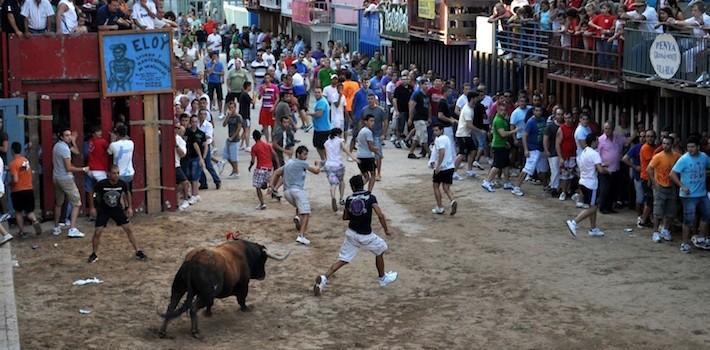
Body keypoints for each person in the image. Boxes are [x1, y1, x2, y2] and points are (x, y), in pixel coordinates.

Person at [313, 174, 397, 296]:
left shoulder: (349, 199)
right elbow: (380, 214)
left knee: (343, 259)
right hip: (366, 235)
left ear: (352, 187)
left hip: (352, 234)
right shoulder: (370, 197)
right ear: (362, 184)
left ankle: (324, 278)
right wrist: (386, 229)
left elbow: (345, 217)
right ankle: (382, 278)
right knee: (381, 249)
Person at [87, 165, 146, 263]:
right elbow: (91, 192)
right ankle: (94, 253)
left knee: (129, 229)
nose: (116, 175)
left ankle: (138, 251)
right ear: (109, 174)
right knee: (97, 232)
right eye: (114, 173)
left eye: (118, 173)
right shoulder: (102, 184)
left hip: (117, 209)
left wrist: (129, 207)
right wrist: (92, 207)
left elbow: (127, 193)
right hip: (103, 210)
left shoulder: (122, 183)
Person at [270, 146, 321, 245]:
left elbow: (277, 173)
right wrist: (318, 164)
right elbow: (316, 171)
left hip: (287, 193)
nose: (306, 156)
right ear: (298, 154)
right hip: (297, 190)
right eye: (304, 154)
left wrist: (272, 187)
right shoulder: (302, 163)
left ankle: (297, 218)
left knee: (299, 207)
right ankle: (301, 236)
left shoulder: (289, 163)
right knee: (306, 213)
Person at [669, 136, 710, 254]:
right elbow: (672, 174)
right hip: (688, 195)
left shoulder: (704, 157)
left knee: (707, 215)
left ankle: (701, 238)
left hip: (702, 193)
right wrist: (682, 186)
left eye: (692, 146)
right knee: (688, 220)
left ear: (698, 147)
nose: (690, 149)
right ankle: (685, 243)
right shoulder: (684, 159)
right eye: (688, 147)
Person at [566, 133, 610, 238]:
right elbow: (599, 169)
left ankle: (593, 228)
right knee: (593, 208)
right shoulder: (595, 154)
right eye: (597, 141)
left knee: (592, 205)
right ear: (593, 142)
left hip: (583, 181)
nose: (598, 142)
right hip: (591, 184)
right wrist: (607, 171)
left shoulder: (585, 152)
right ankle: (574, 222)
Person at [52, 128, 89, 238]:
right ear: (62, 137)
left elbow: (76, 152)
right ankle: (72, 229)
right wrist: (82, 169)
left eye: (70, 135)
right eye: (67, 135)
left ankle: (56, 227)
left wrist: (73, 141)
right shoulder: (65, 149)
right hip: (66, 179)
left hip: (56, 177)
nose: (69, 137)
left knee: (59, 203)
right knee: (77, 203)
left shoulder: (57, 146)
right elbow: (68, 168)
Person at [647, 135, 680, 243]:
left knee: (670, 211)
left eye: (668, 144)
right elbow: (649, 169)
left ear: (672, 145)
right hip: (660, 186)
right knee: (658, 211)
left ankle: (665, 229)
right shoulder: (658, 156)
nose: (665, 146)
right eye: (664, 143)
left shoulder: (677, 156)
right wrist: (654, 182)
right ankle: (655, 232)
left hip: (671, 186)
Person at [511, 105, 549, 197]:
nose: (538, 112)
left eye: (540, 110)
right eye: (536, 110)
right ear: (533, 112)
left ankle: (545, 186)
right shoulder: (530, 122)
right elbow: (524, 136)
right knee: (527, 169)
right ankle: (516, 187)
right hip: (533, 149)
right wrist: (526, 149)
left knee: (543, 170)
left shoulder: (543, 120)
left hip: (541, 148)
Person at [8, 142, 42, 237]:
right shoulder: (25, 161)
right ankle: (35, 220)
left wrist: (9, 184)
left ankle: (22, 231)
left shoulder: (13, 163)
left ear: (12, 151)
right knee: (29, 211)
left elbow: (15, 179)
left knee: (18, 211)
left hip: (18, 190)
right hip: (28, 189)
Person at [482, 103, 517, 192]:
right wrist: (514, 131)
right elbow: (503, 134)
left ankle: (507, 182)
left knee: (505, 165)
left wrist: (506, 142)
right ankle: (487, 182)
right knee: (497, 166)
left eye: (504, 110)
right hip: (498, 146)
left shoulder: (502, 119)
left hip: (502, 144)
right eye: (501, 110)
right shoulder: (498, 120)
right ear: (497, 110)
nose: (503, 112)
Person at [324, 128, 358, 212]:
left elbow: (326, 155)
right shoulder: (340, 140)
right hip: (338, 165)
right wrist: (353, 157)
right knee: (341, 181)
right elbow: (345, 149)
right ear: (338, 134)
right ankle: (341, 198)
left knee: (333, 183)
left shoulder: (326, 143)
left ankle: (333, 196)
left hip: (329, 165)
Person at [429, 123, 457, 215]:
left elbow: (442, 152)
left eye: (436, 130)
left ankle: (440, 207)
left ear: (441, 130)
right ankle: (452, 200)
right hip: (450, 167)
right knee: (446, 187)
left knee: (436, 186)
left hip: (442, 168)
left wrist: (438, 166)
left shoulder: (439, 140)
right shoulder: (447, 139)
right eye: (434, 130)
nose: (435, 132)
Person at [86, 126, 110, 220]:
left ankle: (92, 210)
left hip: (90, 169)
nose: (100, 133)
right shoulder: (102, 141)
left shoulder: (89, 142)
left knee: (90, 190)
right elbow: (110, 150)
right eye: (98, 131)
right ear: (94, 133)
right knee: (106, 191)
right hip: (99, 170)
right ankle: (104, 212)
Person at [250, 130, 276, 210]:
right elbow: (274, 154)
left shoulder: (254, 147)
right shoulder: (267, 145)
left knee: (257, 186)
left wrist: (250, 166)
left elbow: (253, 161)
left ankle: (262, 203)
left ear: (254, 138)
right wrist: (276, 165)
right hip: (269, 168)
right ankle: (272, 189)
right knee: (267, 182)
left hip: (260, 168)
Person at [197, 109, 222, 190]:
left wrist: (197, 136)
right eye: (201, 114)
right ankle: (203, 183)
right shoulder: (196, 124)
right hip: (197, 146)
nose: (202, 116)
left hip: (205, 146)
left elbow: (208, 136)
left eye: (204, 114)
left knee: (208, 165)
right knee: (199, 165)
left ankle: (217, 180)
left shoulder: (208, 125)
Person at [185, 115, 207, 204]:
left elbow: (205, 146)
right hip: (189, 157)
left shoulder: (201, 133)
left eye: (195, 122)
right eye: (192, 122)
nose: (194, 123)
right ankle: (195, 194)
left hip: (196, 157)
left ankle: (194, 195)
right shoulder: (188, 132)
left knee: (195, 176)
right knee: (190, 176)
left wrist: (203, 157)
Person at [408, 78, 432, 159]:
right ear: (421, 85)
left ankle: (411, 152)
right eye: (425, 84)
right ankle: (430, 153)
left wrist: (429, 117)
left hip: (424, 118)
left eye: (427, 84)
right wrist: (410, 118)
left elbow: (429, 106)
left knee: (417, 137)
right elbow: (411, 105)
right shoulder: (417, 94)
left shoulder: (427, 95)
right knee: (423, 136)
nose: (426, 86)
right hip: (418, 118)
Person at [356, 115, 380, 192]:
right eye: (371, 121)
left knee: (365, 176)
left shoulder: (361, 131)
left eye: (373, 121)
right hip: (368, 157)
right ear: (366, 122)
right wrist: (376, 150)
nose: (372, 123)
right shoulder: (368, 132)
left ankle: (357, 189)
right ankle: (369, 191)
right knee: (373, 174)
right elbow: (370, 147)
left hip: (360, 156)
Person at [309, 87, 332, 162]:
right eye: (315, 92)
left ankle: (325, 161)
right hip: (319, 128)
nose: (317, 94)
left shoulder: (322, 102)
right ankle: (324, 160)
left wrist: (309, 114)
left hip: (323, 129)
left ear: (322, 93)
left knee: (321, 146)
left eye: (319, 92)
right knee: (318, 145)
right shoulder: (319, 101)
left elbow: (319, 114)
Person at [222, 101, 243, 178]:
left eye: (232, 108)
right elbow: (224, 124)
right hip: (229, 138)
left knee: (234, 157)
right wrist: (228, 116)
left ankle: (236, 172)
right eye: (230, 108)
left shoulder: (238, 117)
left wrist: (233, 137)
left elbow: (239, 128)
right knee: (227, 156)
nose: (231, 109)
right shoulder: (229, 116)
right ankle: (234, 170)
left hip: (235, 139)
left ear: (235, 108)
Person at [258, 73, 280, 142]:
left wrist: (274, 106)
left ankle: (273, 141)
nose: (267, 80)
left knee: (273, 126)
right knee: (265, 126)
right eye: (265, 78)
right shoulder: (262, 87)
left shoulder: (274, 87)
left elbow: (277, 98)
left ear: (271, 78)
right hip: (264, 108)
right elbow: (259, 98)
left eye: (268, 78)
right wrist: (262, 91)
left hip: (271, 108)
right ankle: (267, 141)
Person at [174, 125, 191, 211]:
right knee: (182, 183)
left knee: (184, 182)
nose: (176, 130)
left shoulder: (180, 140)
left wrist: (176, 145)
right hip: (170, 165)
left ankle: (184, 200)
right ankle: (178, 202)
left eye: (177, 128)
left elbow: (183, 154)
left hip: (176, 164)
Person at [205, 52, 225, 118]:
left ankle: (220, 112)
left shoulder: (220, 64)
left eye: (216, 56)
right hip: (211, 82)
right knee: (210, 97)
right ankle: (209, 112)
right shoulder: (208, 64)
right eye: (213, 56)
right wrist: (213, 65)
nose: (215, 58)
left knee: (220, 98)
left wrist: (216, 73)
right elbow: (209, 72)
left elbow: (222, 73)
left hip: (218, 82)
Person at [238, 81, 254, 149]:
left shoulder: (242, 94)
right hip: (246, 115)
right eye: (250, 86)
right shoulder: (245, 95)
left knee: (244, 130)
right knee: (247, 130)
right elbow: (253, 102)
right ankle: (247, 145)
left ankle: (241, 145)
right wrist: (255, 96)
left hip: (242, 114)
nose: (251, 87)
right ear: (247, 87)